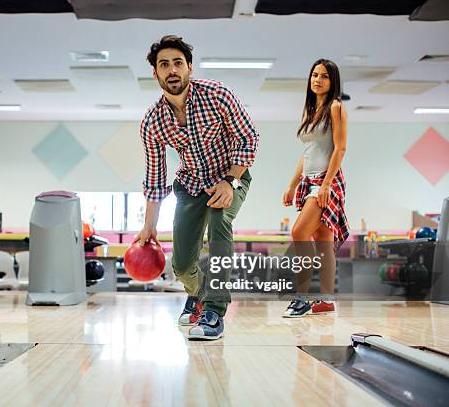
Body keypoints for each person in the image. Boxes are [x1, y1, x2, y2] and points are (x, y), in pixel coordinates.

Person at [134, 35, 259, 340]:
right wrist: (148, 226)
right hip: (190, 184)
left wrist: (231, 181)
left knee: (219, 224)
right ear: (156, 73)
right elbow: (155, 178)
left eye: (178, 63)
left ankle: (214, 311)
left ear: (189, 67)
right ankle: (198, 294)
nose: (172, 69)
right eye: (164, 64)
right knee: (182, 264)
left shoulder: (217, 95)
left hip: (231, 175)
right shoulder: (152, 122)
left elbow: (249, 138)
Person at [282, 59, 349, 318]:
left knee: (299, 232)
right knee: (322, 239)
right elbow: (307, 152)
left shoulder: (336, 107)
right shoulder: (311, 110)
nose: (317, 80)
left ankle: (303, 297)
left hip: (326, 181)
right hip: (309, 180)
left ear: (333, 82)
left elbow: (340, 148)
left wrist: (327, 184)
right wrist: (292, 184)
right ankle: (326, 300)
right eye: (314, 75)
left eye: (324, 76)